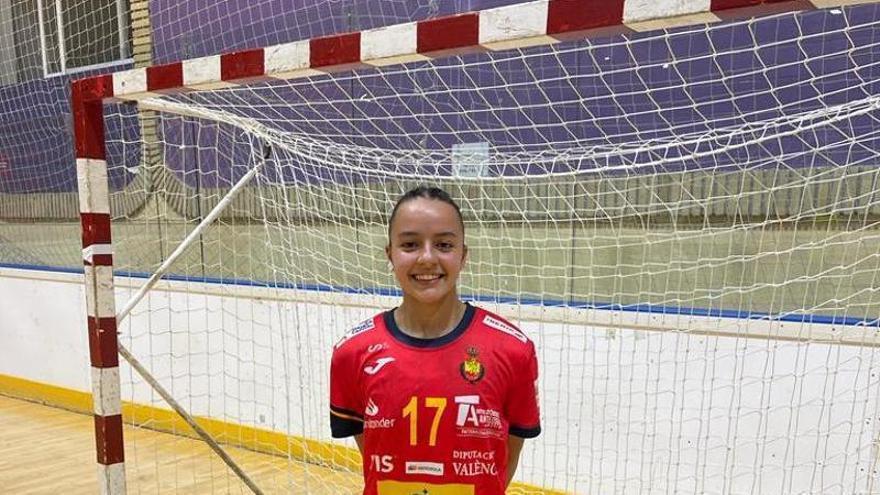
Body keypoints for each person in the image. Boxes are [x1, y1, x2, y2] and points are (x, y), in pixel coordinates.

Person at [329, 186, 541, 495]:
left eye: (443, 244)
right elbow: (372, 450)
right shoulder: (351, 353)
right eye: (410, 244)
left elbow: (508, 455)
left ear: (463, 255)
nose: (427, 258)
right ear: (390, 253)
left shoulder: (513, 350)